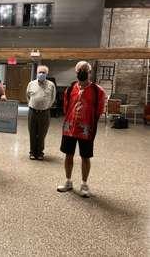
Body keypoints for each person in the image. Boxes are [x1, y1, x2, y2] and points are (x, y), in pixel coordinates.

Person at [57, 61, 105, 198]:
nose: (82, 72)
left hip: (86, 129)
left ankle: (84, 184)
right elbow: (66, 107)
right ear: (76, 72)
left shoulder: (98, 91)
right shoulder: (71, 88)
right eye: (79, 70)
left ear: (89, 72)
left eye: (85, 70)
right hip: (69, 128)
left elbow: (99, 110)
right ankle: (68, 181)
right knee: (68, 155)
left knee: (85, 156)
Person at [26, 65, 56, 160]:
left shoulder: (51, 85)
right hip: (32, 112)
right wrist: (32, 104)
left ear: (47, 74)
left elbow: (53, 98)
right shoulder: (31, 84)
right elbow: (27, 96)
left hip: (45, 113)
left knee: (42, 133)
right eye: (40, 72)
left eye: (43, 72)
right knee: (32, 132)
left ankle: (40, 153)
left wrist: (46, 106)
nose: (41, 74)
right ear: (37, 73)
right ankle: (32, 152)